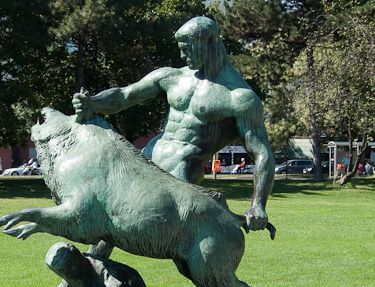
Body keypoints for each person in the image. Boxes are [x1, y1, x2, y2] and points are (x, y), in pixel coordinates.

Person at [73, 17, 274, 231]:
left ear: (208, 42)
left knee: (164, 233)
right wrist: (92, 102)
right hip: (146, 158)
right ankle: (92, 262)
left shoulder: (239, 98)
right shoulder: (172, 77)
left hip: (181, 173)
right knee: (106, 210)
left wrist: (258, 205)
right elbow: (124, 96)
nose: (182, 55)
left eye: (187, 49)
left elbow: (262, 153)